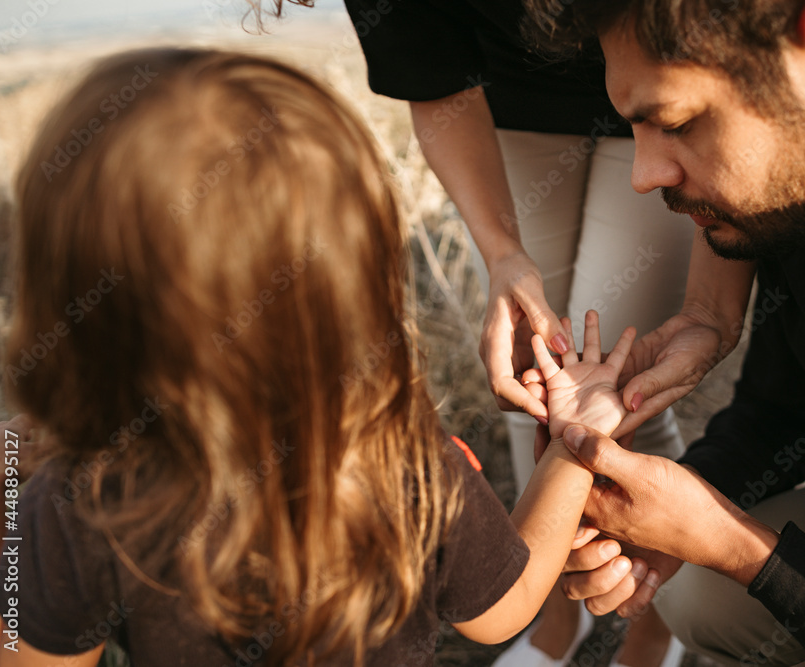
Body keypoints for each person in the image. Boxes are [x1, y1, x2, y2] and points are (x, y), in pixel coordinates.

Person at [0, 47, 639, 666]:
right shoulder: (407, 459)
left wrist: (2, 526)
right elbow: (505, 609)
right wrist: (573, 440)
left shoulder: (76, 499)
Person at [251, 1, 757, 664]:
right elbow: (431, 78)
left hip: (667, 96)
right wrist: (501, 255)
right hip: (508, 110)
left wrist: (713, 307)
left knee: (619, 388)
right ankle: (549, 611)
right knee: (533, 383)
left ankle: (653, 624)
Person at [517, 0, 805, 665]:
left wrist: (736, 546)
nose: (646, 175)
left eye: (677, 122)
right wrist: (661, 518)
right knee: (696, 587)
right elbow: (777, 412)